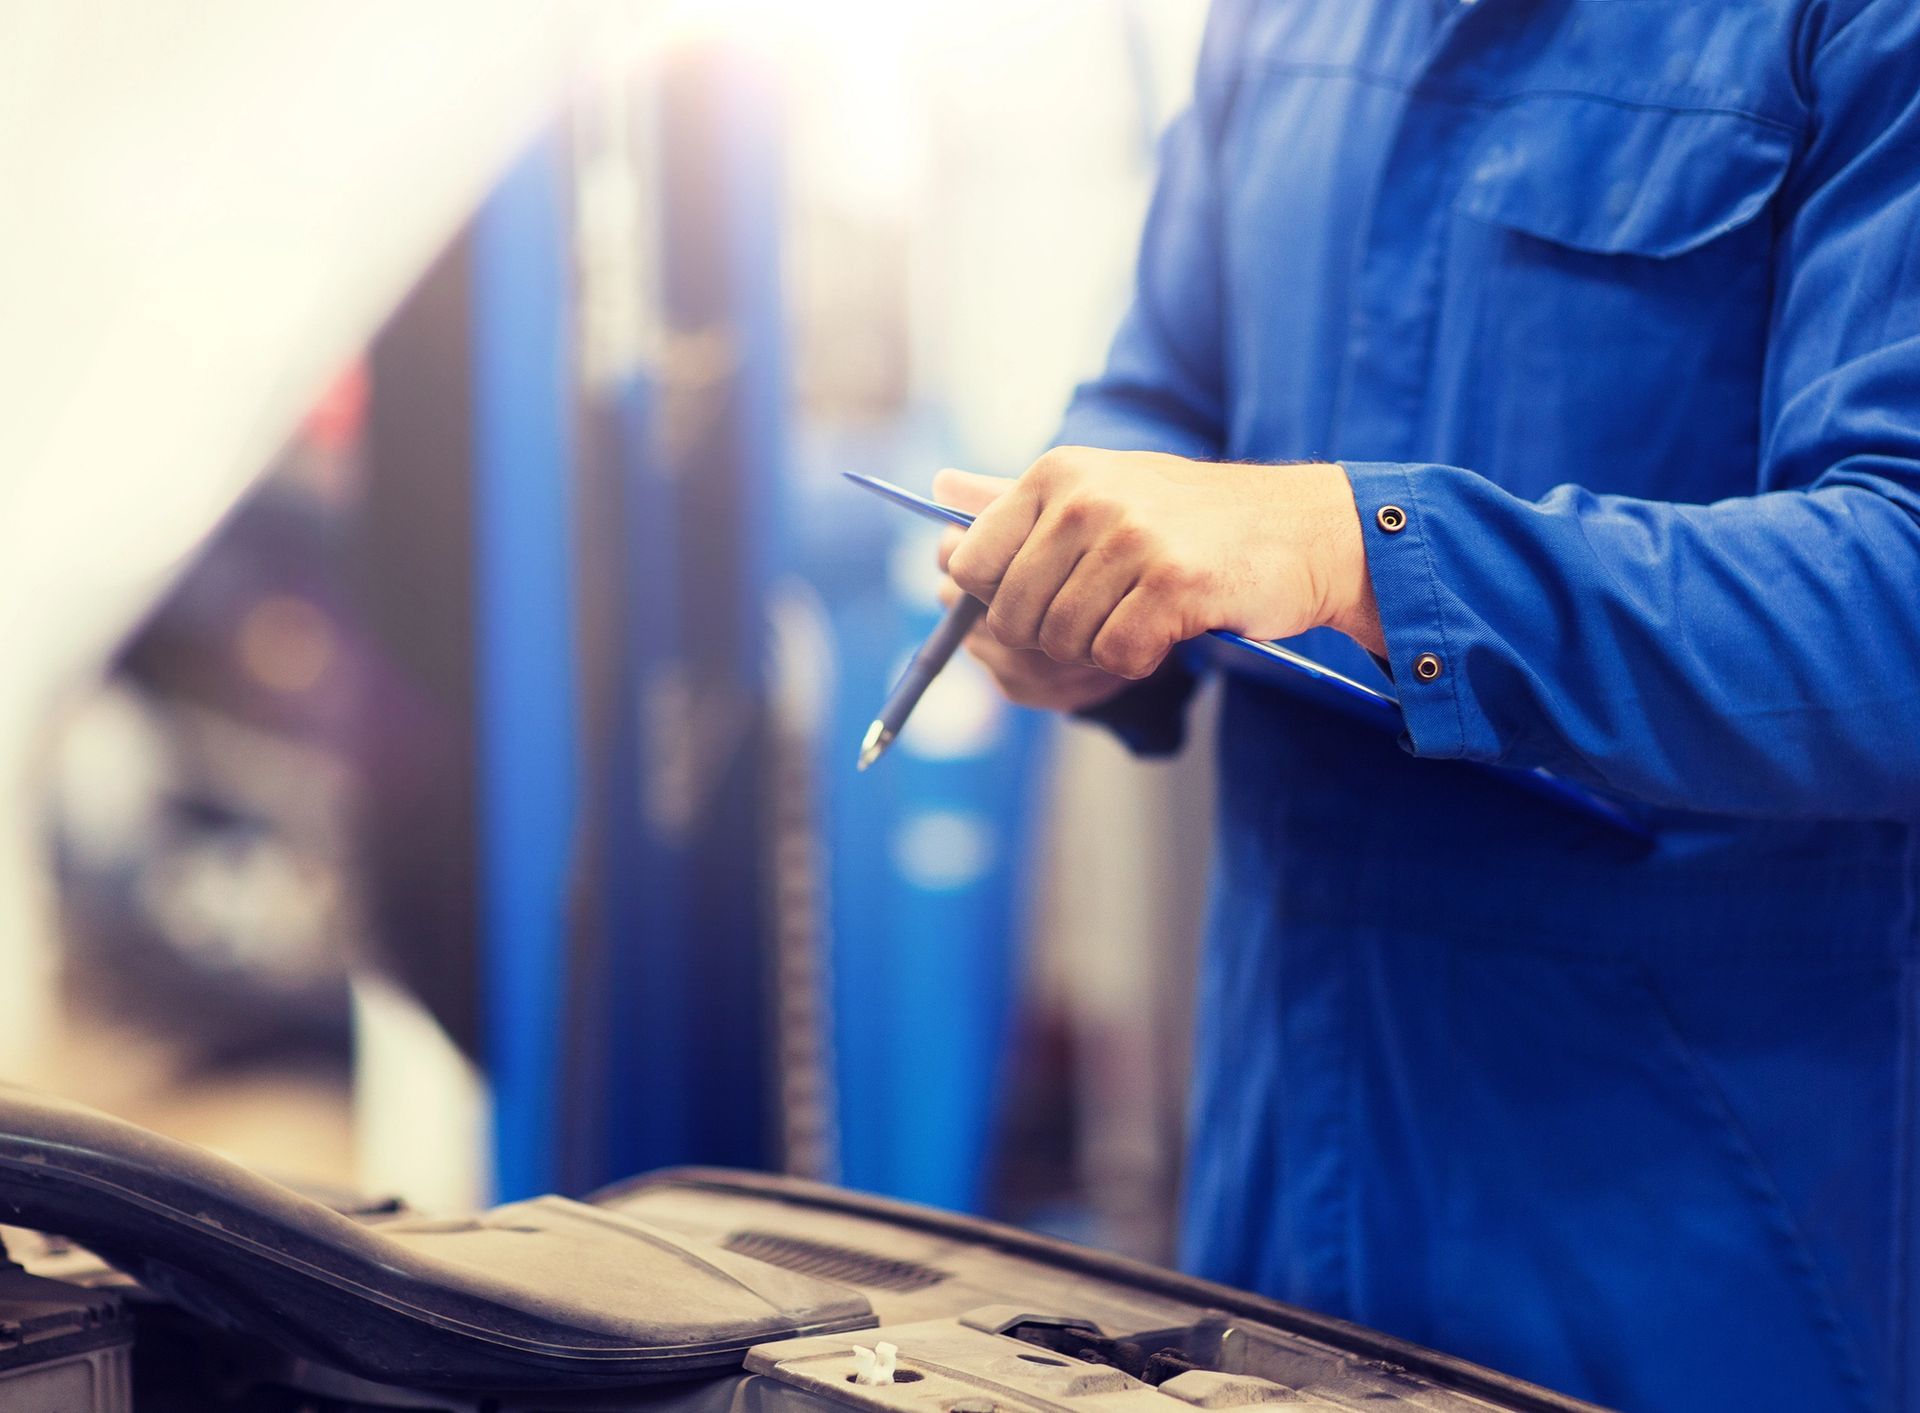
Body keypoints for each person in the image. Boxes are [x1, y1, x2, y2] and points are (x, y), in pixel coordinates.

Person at [931, 3, 1920, 1411]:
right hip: (1277, 1183)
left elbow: (1897, 603)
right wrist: (1086, 586)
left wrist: (1358, 552)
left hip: (1703, 1229)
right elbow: (1166, 392)